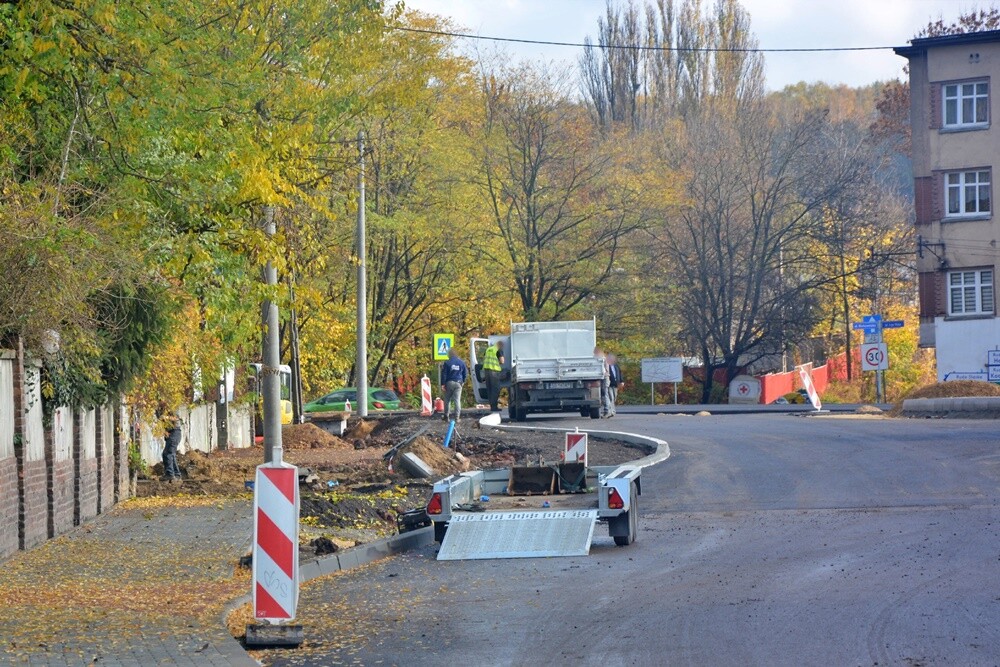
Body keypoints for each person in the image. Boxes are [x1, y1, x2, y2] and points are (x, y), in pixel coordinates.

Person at [440, 347, 468, 422]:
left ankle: (446, 417)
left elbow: (444, 374)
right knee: (457, 400)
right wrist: (463, 381)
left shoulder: (447, 363)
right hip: (458, 383)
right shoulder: (461, 362)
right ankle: (457, 418)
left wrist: (443, 384)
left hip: (449, 383)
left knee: (447, 400)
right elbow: (465, 373)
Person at [159, 403, 183, 482]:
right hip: (170, 433)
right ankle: (177, 474)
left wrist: (166, 417)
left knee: (167, 454)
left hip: (175, 432)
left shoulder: (171, 406)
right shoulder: (160, 410)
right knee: (171, 454)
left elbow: (176, 418)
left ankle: (170, 474)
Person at [482, 339, 505, 412]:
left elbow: (484, 358)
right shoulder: (498, 349)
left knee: (490, 389)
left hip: (486, 371)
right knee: (495, 389)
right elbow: (502, 361)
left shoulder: (488, 349)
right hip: (494, 371)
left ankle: (492, 406)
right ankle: (494, 406)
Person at [606, 353, 623, 418]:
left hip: (616, 384)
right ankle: (612, 411)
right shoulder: (607, 366)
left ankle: (612, 410)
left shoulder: (616, 366)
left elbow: (620, 373)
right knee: (611, 398)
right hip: (610, 384)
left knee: (614, 397)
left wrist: (622, 381)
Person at [595, 346, 609, 417]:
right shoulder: (600, 358)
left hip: (604, 378)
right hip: (602, 377)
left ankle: (607, 410)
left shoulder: (603, 359)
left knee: (604, 394)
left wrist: (605, 374)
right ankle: (606, 410)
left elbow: (606, 370)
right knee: (603, 394)